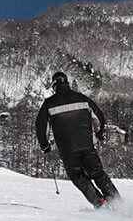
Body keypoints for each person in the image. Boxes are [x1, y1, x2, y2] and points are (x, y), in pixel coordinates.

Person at [35, 71, 120, 207]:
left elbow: (41, 126)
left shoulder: (49, 104)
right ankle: (117, 201)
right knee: (98, 173)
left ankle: (100, 204)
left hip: (67, 149)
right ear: (67, 83)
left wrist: (45, 145)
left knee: (78, 176)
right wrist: (99, 133)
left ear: (54, 85)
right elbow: (98, 118)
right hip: (87, 145)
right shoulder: (82, 98)